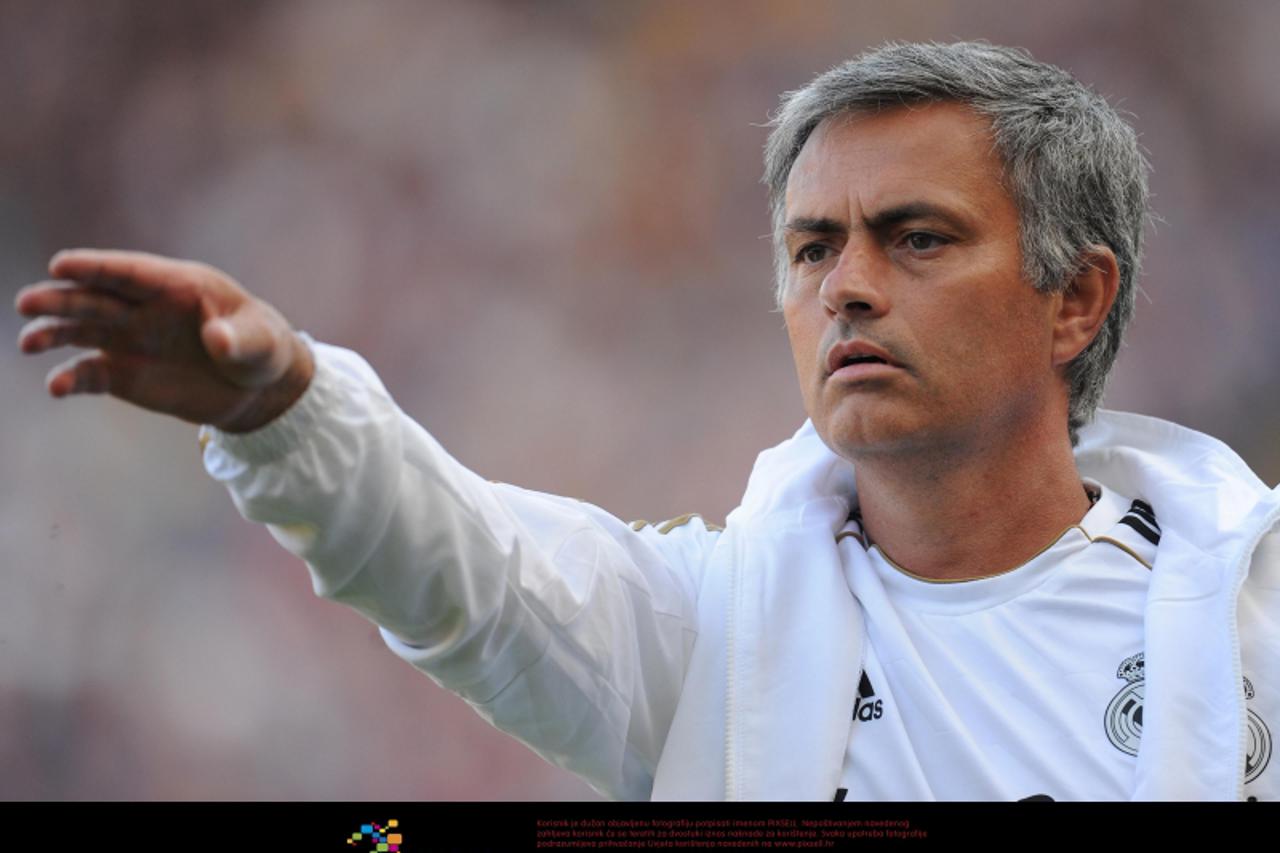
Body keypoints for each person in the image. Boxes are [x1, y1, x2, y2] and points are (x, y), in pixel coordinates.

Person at [14, 41, 1279, 801]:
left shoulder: (1249, 613)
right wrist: (281, 409)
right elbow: (473, 576)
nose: (842, 283)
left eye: (915, 237)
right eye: (810, 247)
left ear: (1075, 299)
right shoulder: (712, 630)